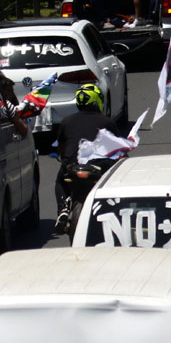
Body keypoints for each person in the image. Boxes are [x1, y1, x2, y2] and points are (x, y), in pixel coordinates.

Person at [53, 84, 120, 233]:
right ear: (97, 101)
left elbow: (62, 148)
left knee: (60, 180)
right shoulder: (107, 122)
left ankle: (63, 208)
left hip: (73, 165)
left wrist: (65, 160)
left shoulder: (67, 121)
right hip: (99, 167)